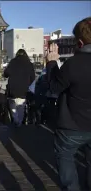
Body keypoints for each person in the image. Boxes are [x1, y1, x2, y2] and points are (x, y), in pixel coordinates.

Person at [46, 17, 91, 191]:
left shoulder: (73, 64)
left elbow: (54, 88)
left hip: (72, 125)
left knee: (66, 158)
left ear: (79, 42)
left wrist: (51, 63)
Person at [4, 49, 35, 127]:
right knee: (21, 107)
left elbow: (6, 73)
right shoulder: (29, 64)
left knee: (12, 105)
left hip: (12, 89)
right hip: (24, 90)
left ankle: (16, 120)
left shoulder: (13, 62)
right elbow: (33, 78)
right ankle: (19, 123)